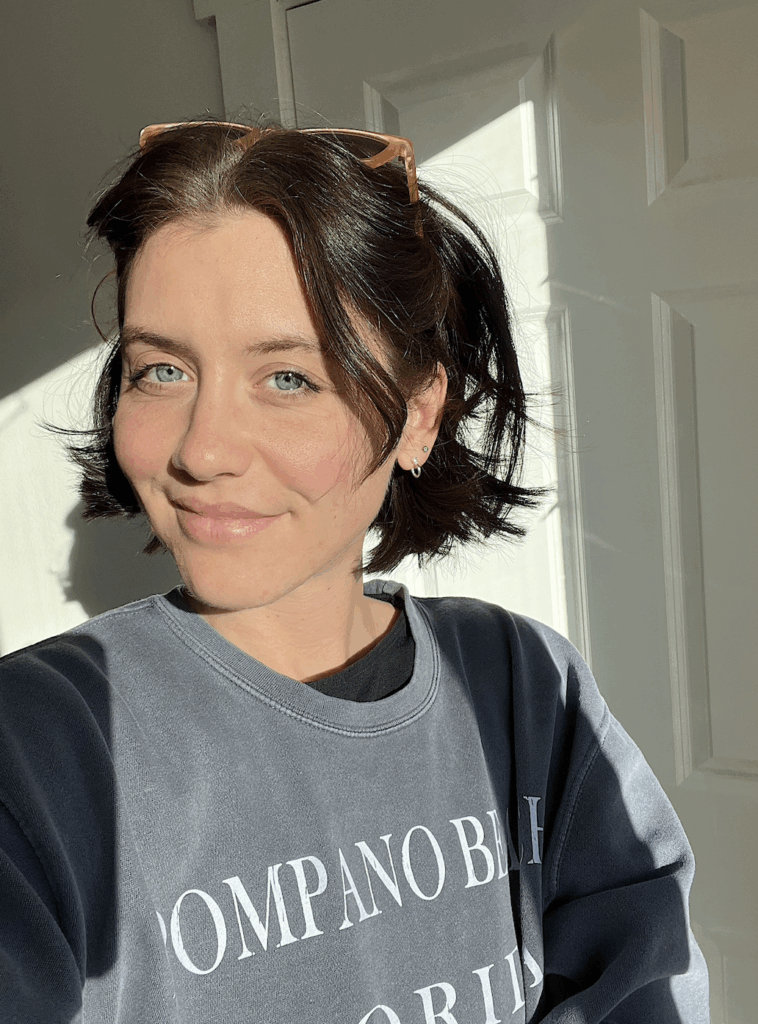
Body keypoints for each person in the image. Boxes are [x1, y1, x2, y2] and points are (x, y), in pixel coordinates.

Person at [0, 121, 709, 1023]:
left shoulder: (523, 683)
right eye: (162, 370)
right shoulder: (37, 752)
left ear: (418, 416)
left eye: (289, 378)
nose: (203, 451)